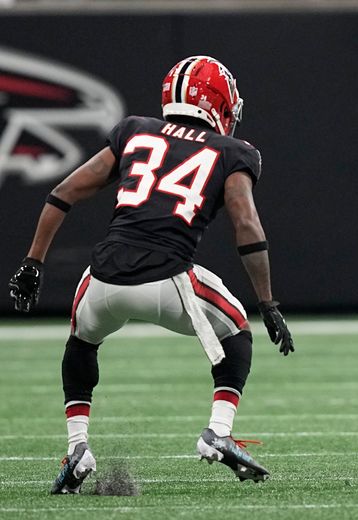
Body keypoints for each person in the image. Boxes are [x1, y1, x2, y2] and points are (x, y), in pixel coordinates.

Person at [8, 56, 294, 492]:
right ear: (219, 102)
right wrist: (268, 301)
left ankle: (78, 447)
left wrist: (32, 263)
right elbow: (247, 226)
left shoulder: (135, 130)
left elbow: (63, 193)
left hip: (103, 280)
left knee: (81, 340)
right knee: (237, 330)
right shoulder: (233, 152)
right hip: (168, 280)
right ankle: (217, 431)